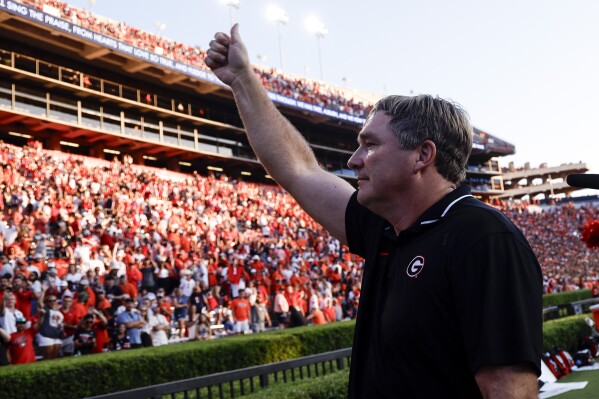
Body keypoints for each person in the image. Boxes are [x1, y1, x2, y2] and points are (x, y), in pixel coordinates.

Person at [206, 25, 542, 398]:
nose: (354, 160)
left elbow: (510, 392)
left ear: (422, 156)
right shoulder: (386, 227)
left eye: (370, 145)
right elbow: (298, 170)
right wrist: (242, 80)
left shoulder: (484, 238)